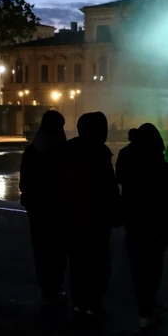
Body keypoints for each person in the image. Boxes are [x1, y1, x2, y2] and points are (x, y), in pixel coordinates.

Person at [61, 112, 121, 319]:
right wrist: (115, 213)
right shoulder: (99, 153)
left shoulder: (69, 150)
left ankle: (79, 303)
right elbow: (109, 188)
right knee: (98, 263)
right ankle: (94, 304)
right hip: (96, 218)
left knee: (77, 261)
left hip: (72, 216)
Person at [116, 123, 168, 329]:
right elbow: (166, 191)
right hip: (154, 222)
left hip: (133, 220)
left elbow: (120, 178)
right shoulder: (155, 160)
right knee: (153, 267)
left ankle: (145, 307)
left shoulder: (125, 155)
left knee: (138, 267)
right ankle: (148, 309)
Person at [19, 110, 68, 304]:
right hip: (57, 207)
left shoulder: (32, 150)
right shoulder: (62, 151)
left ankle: (46, 287)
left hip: (37, 208)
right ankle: (55, 286)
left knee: (41, 248)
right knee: (58, 249)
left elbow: (24, 181)